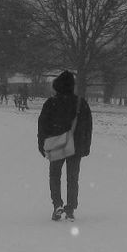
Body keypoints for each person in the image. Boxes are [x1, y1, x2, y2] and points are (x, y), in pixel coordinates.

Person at [37, 70, 93, 221]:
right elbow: (88, 126)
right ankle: (70, 207)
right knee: (73, 178)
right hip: (76, 146)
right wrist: (86, 145)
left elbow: (42, 125)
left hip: (55, 145)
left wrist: (42, 143)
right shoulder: (81, 103)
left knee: (55, 176)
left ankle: (57, 205)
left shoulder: (51, 103)